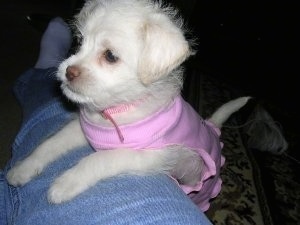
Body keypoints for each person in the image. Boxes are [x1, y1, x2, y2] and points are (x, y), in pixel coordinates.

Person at [0, 18, 213, 225]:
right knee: (70, 115)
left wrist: (91, 168)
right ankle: (42, 71)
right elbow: (85, 128)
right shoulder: (117, 94)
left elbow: (151, 157)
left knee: (53, 109)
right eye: (83, 42)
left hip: (186, 172)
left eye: (109, 56)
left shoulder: (158, 120)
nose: (72, 67)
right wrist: (37, 159)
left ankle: (41, 70)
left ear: (155, 62)